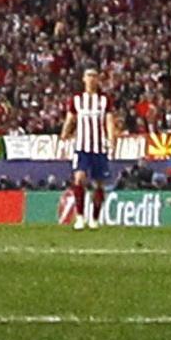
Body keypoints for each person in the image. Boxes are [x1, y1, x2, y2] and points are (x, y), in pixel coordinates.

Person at [59, 68, 115, 230]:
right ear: (84, 79)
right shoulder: (77, 100)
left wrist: (111, 139)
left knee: (99, 184)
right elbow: (70, 119)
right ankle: (80, 217)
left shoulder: (104, 100)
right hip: (81, 147)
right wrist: (64, 134)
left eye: (94, 76)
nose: (91, 79)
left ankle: (95, 219)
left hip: (99, 148)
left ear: (98, 80)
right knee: (79, 178)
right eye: (89, 76)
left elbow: (109, 120)